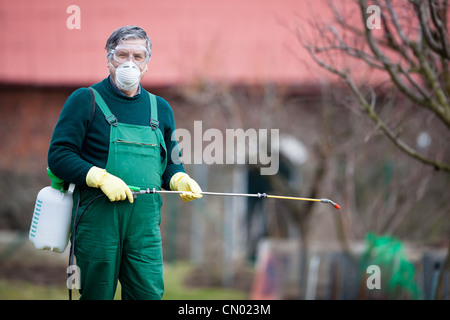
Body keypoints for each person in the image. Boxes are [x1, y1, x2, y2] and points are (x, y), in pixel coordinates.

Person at [47, 25, 203, 300]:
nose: (130, 63)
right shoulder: (86, 100)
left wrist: (179, 178)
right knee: (97, 294)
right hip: (97, 222)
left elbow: (171, 162)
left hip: (145, 228)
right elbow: (59, 155)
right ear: (109, 58)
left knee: (148, 293)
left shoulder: (161, 108)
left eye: (138, 56)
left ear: (147, 63)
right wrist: (99, 177)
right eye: (122, 54)